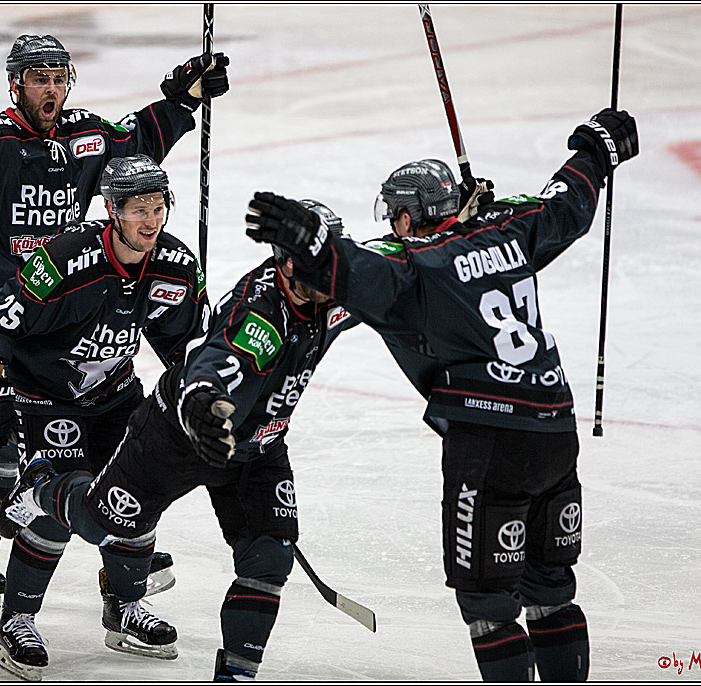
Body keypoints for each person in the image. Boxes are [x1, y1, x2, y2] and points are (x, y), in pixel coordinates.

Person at [244, 109, 639, 681]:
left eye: (394, 214)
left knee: (489, 602)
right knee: (549, 588)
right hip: (555, 431)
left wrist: (311, 245)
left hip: (488, 444)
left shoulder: (416, 266)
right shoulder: (507, 230)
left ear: (407, 215)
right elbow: (563, 206)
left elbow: (361, 270)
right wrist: (597, 149)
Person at [0, 33, 230, 613]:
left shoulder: (82, 135)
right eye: (37, 78)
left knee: (104, 446)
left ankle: (116, 552)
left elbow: (133, 148)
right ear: (15, 84)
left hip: (69, 320)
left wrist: (180, 98)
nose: (49, 88)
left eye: (58, 77)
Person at [0, 202, 354, 680]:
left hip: (255, 449)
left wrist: (465, 229)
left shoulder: (339, 285)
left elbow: (402, 275)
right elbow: (215, 363)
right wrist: (203, 403)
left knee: (270, 555)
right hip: (178, 435)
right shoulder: (259, 314)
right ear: (286, 261)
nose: (328, 274)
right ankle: (44, 490)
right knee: (105, 523)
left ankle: (234, 675)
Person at [0, 155, 209, 680]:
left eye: (159, 207)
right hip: (47, 399)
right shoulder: (67, 256)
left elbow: (183, 342)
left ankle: (124, 609)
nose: (151, 220)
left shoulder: (174, 262)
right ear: (112, 209)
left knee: (138, 495)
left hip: (116, 396)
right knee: (63, 505)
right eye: (139, 209)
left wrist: (203, 383)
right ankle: (18, 617)